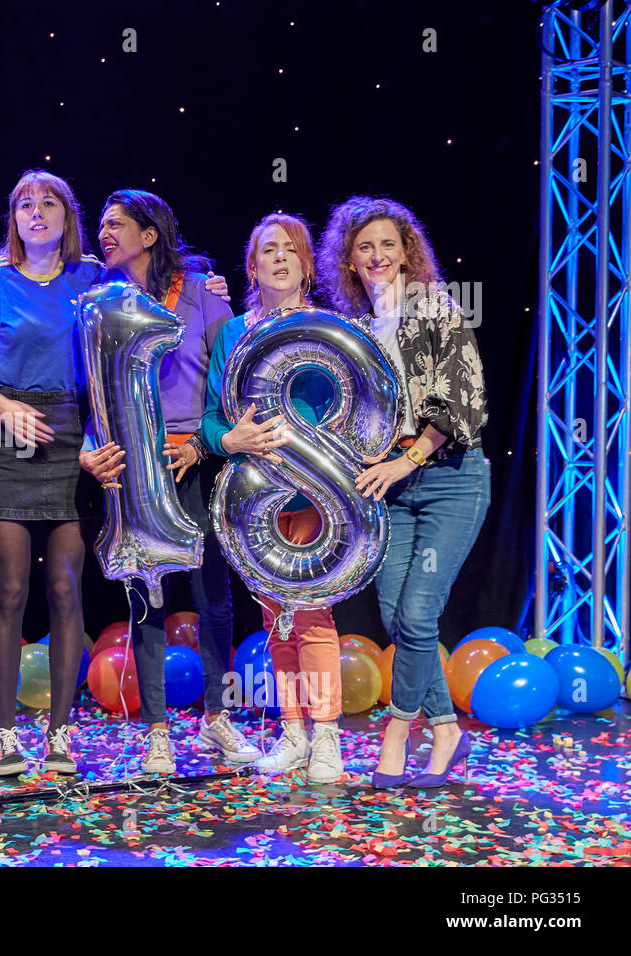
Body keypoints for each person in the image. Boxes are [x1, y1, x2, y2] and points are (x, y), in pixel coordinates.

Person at [81, 189, 258, 774]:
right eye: (101, 225)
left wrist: (201, 443)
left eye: (116, 225)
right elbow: (98, 394)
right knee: (146, 593)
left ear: (149, 234)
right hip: (135, 464)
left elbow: (231, 382)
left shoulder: (203, 295)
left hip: (197, 459)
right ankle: (157, 730)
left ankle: (216, 719)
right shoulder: (101, 304)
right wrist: (91, 450)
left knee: (213, 596)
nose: (103, 233)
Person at [319, 196, 489, 789]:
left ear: (408, 251)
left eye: (388, 244)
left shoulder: (437, 308)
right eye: (364, 247)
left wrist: (407, 459)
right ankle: (445, 727)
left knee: (419, 613)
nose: (377, 256)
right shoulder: (358, 329)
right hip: (388, 486)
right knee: (398, 617)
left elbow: (463, 403)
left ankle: (398, 728)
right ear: (349, 260)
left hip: (449, 479)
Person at [200, 213, 345, 784]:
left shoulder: (330, 328)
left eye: (290, 249)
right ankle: (293, 734)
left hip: (314, 494)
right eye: (267, 250)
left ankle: (328, 737)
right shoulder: (233, 333)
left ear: (307, 264)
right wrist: (227, 439)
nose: (279, 258)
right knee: (277, 619)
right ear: (252, 265)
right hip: (256, 501)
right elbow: (213, 418)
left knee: (312, 613)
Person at [0, 170, 105, 776]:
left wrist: (204, 285)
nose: (36, 212)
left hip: (72, 431)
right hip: (6, 426)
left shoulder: (92, 276)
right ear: (14, 218)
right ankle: (4, 736)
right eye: (24, 203)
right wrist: (2, 408)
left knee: (65, 588)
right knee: (12, 589)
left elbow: (152, 307)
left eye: (48, 202)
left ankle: (60, 733)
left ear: (67, 215)